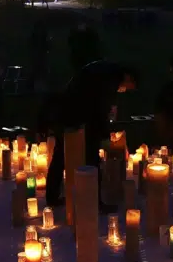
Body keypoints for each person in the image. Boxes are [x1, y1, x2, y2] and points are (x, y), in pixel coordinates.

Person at [44, 60, 137, 209]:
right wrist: (105, 135)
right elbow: (100, 109)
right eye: (129, 86)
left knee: (62, 153)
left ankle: (52, 196)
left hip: (69, 111)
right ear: (129, 77)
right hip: (77, 115)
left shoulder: (107, 71)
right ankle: (94, 202)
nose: (126, 89)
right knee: (91, 159)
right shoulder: (110, 79)